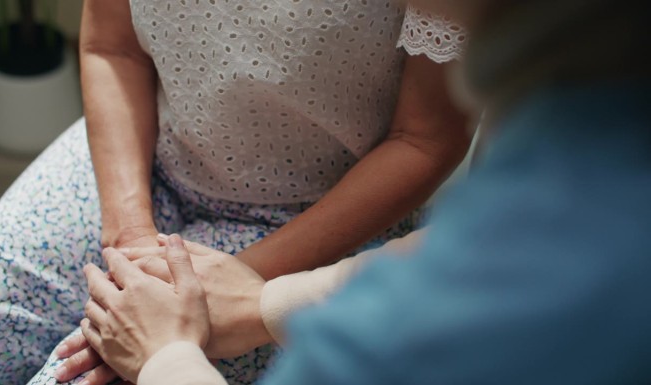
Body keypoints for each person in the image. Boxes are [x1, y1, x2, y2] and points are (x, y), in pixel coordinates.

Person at [72, 0, 651, 383]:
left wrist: (168, 355)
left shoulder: (386, 342)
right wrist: (252, 301)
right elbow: (482, 248)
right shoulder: (560, 155)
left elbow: (489, 254)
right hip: (160, 175)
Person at [0, 1, 469, 385]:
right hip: (149, 159)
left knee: (77, 377)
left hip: (317, 218)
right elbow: (112, 47)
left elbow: (425, 138)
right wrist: (129, 240)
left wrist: (238, 287)